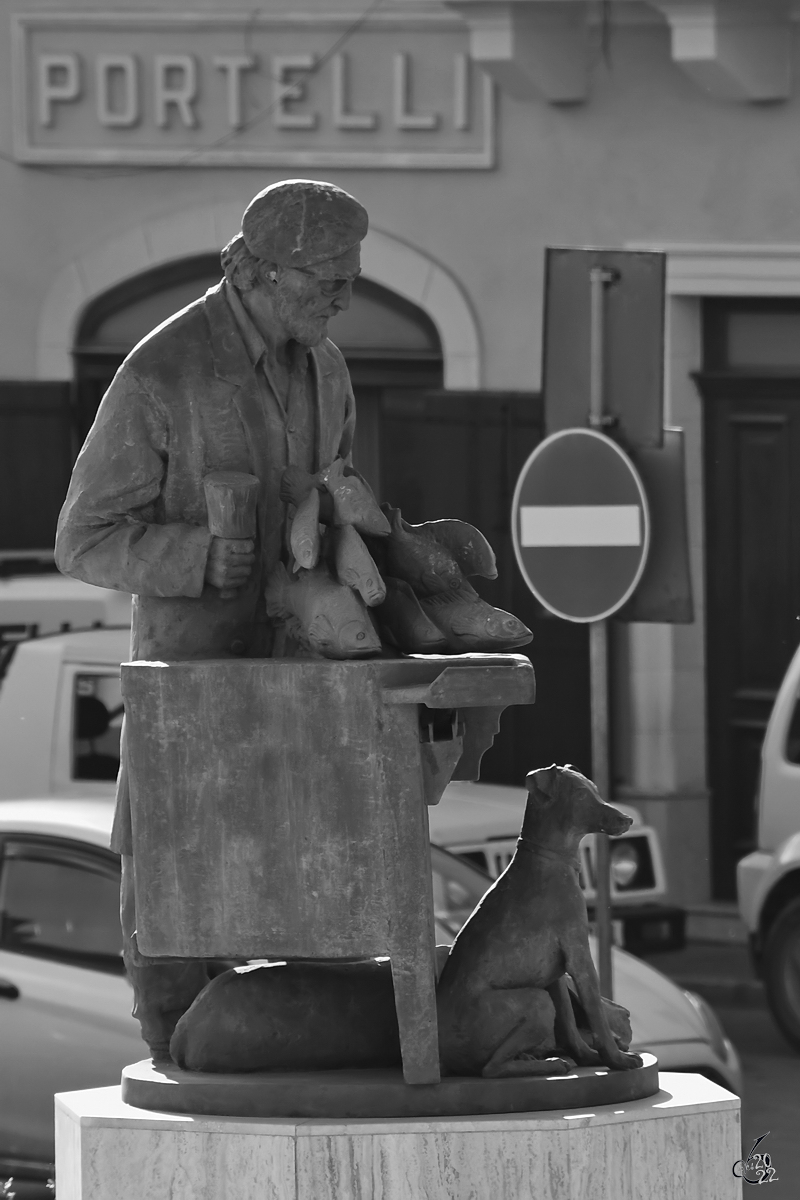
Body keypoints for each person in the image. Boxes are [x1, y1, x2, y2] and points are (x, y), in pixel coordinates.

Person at [55, 178, 369, 1059]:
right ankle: (176, 1081)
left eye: (352, 279)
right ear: (262, 272)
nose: (345, 298)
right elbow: (82, 541)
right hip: (190, 701)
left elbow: (335, 503)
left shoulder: (329, 368)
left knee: (287, 914)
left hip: (294, 697)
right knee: (172, 921)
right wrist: (196, 556)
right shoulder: (165, 372)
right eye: (328, 280)